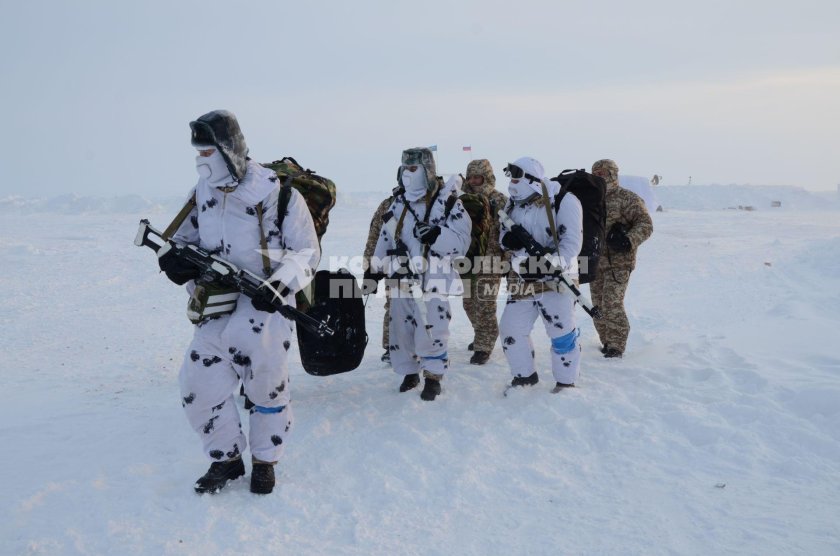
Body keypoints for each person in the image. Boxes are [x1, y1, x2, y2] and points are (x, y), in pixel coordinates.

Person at [157, 110, 320, 494]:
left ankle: (265, 461)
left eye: (208, 151)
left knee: (267, 390)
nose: (201, 159)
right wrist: (175, 260)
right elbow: (182, 238)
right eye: (198, 151)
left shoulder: (280, 195)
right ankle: (226, 459)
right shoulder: (201, 192)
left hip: (264, 311)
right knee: (198, 385)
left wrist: (278, 286)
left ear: (229, 150)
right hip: (215, 305)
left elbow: (306, 252)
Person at [365, 147, 471, 401]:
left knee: (432, 328)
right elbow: (386, 237)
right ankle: (409, 371)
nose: (408, 174)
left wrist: (437, 236)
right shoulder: (397, 203)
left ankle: (433, 376)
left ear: (427, 171)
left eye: (414, 169)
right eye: (405, 168)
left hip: (433, 278)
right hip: (401, 278)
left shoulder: (448, 204)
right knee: (401, 328)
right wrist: (374, 269)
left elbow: (461, 243)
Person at [497, 157, 583, 391]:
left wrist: (553, 264)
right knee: (510, 328)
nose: (513, 183)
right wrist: (508, 241)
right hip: (522, 276)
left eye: (517, 177)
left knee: (561, 330)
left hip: (557, 277)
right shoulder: (512, 204)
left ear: (532, 179)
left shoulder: (564, 200)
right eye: (511, 178)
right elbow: (502, 236)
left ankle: (566, 382)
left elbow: (572, 242)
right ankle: (524, 377)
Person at [589, 159, 653, 358]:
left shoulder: (627, 198)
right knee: (597, 305)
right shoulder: (589, 200)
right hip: (594, 262)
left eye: (603, 173)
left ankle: (616, 346)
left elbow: (645, 224)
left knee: (612, 303)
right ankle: (606, 341)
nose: (599, 177)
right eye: (595, 173)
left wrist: (628, 240)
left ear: (612, 174)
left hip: (619, 263)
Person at [460, 159, 508, 365]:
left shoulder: (499, 200)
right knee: (469, 303)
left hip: (491, 259)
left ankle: (484, 345)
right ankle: (481, 332)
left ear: (486, 177)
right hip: (468, 259)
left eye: (477, 177)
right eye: (470, 177)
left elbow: (508, 230)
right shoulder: (461, 199)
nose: (473, 181)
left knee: (485, 303)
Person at [362, 195, 394, 363]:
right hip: (396, 265)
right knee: (394, 306)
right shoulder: (390, 203)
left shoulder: (433, 200)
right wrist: (370, 269)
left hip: (425, 266)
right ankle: (391, 347)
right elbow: (375, 234)